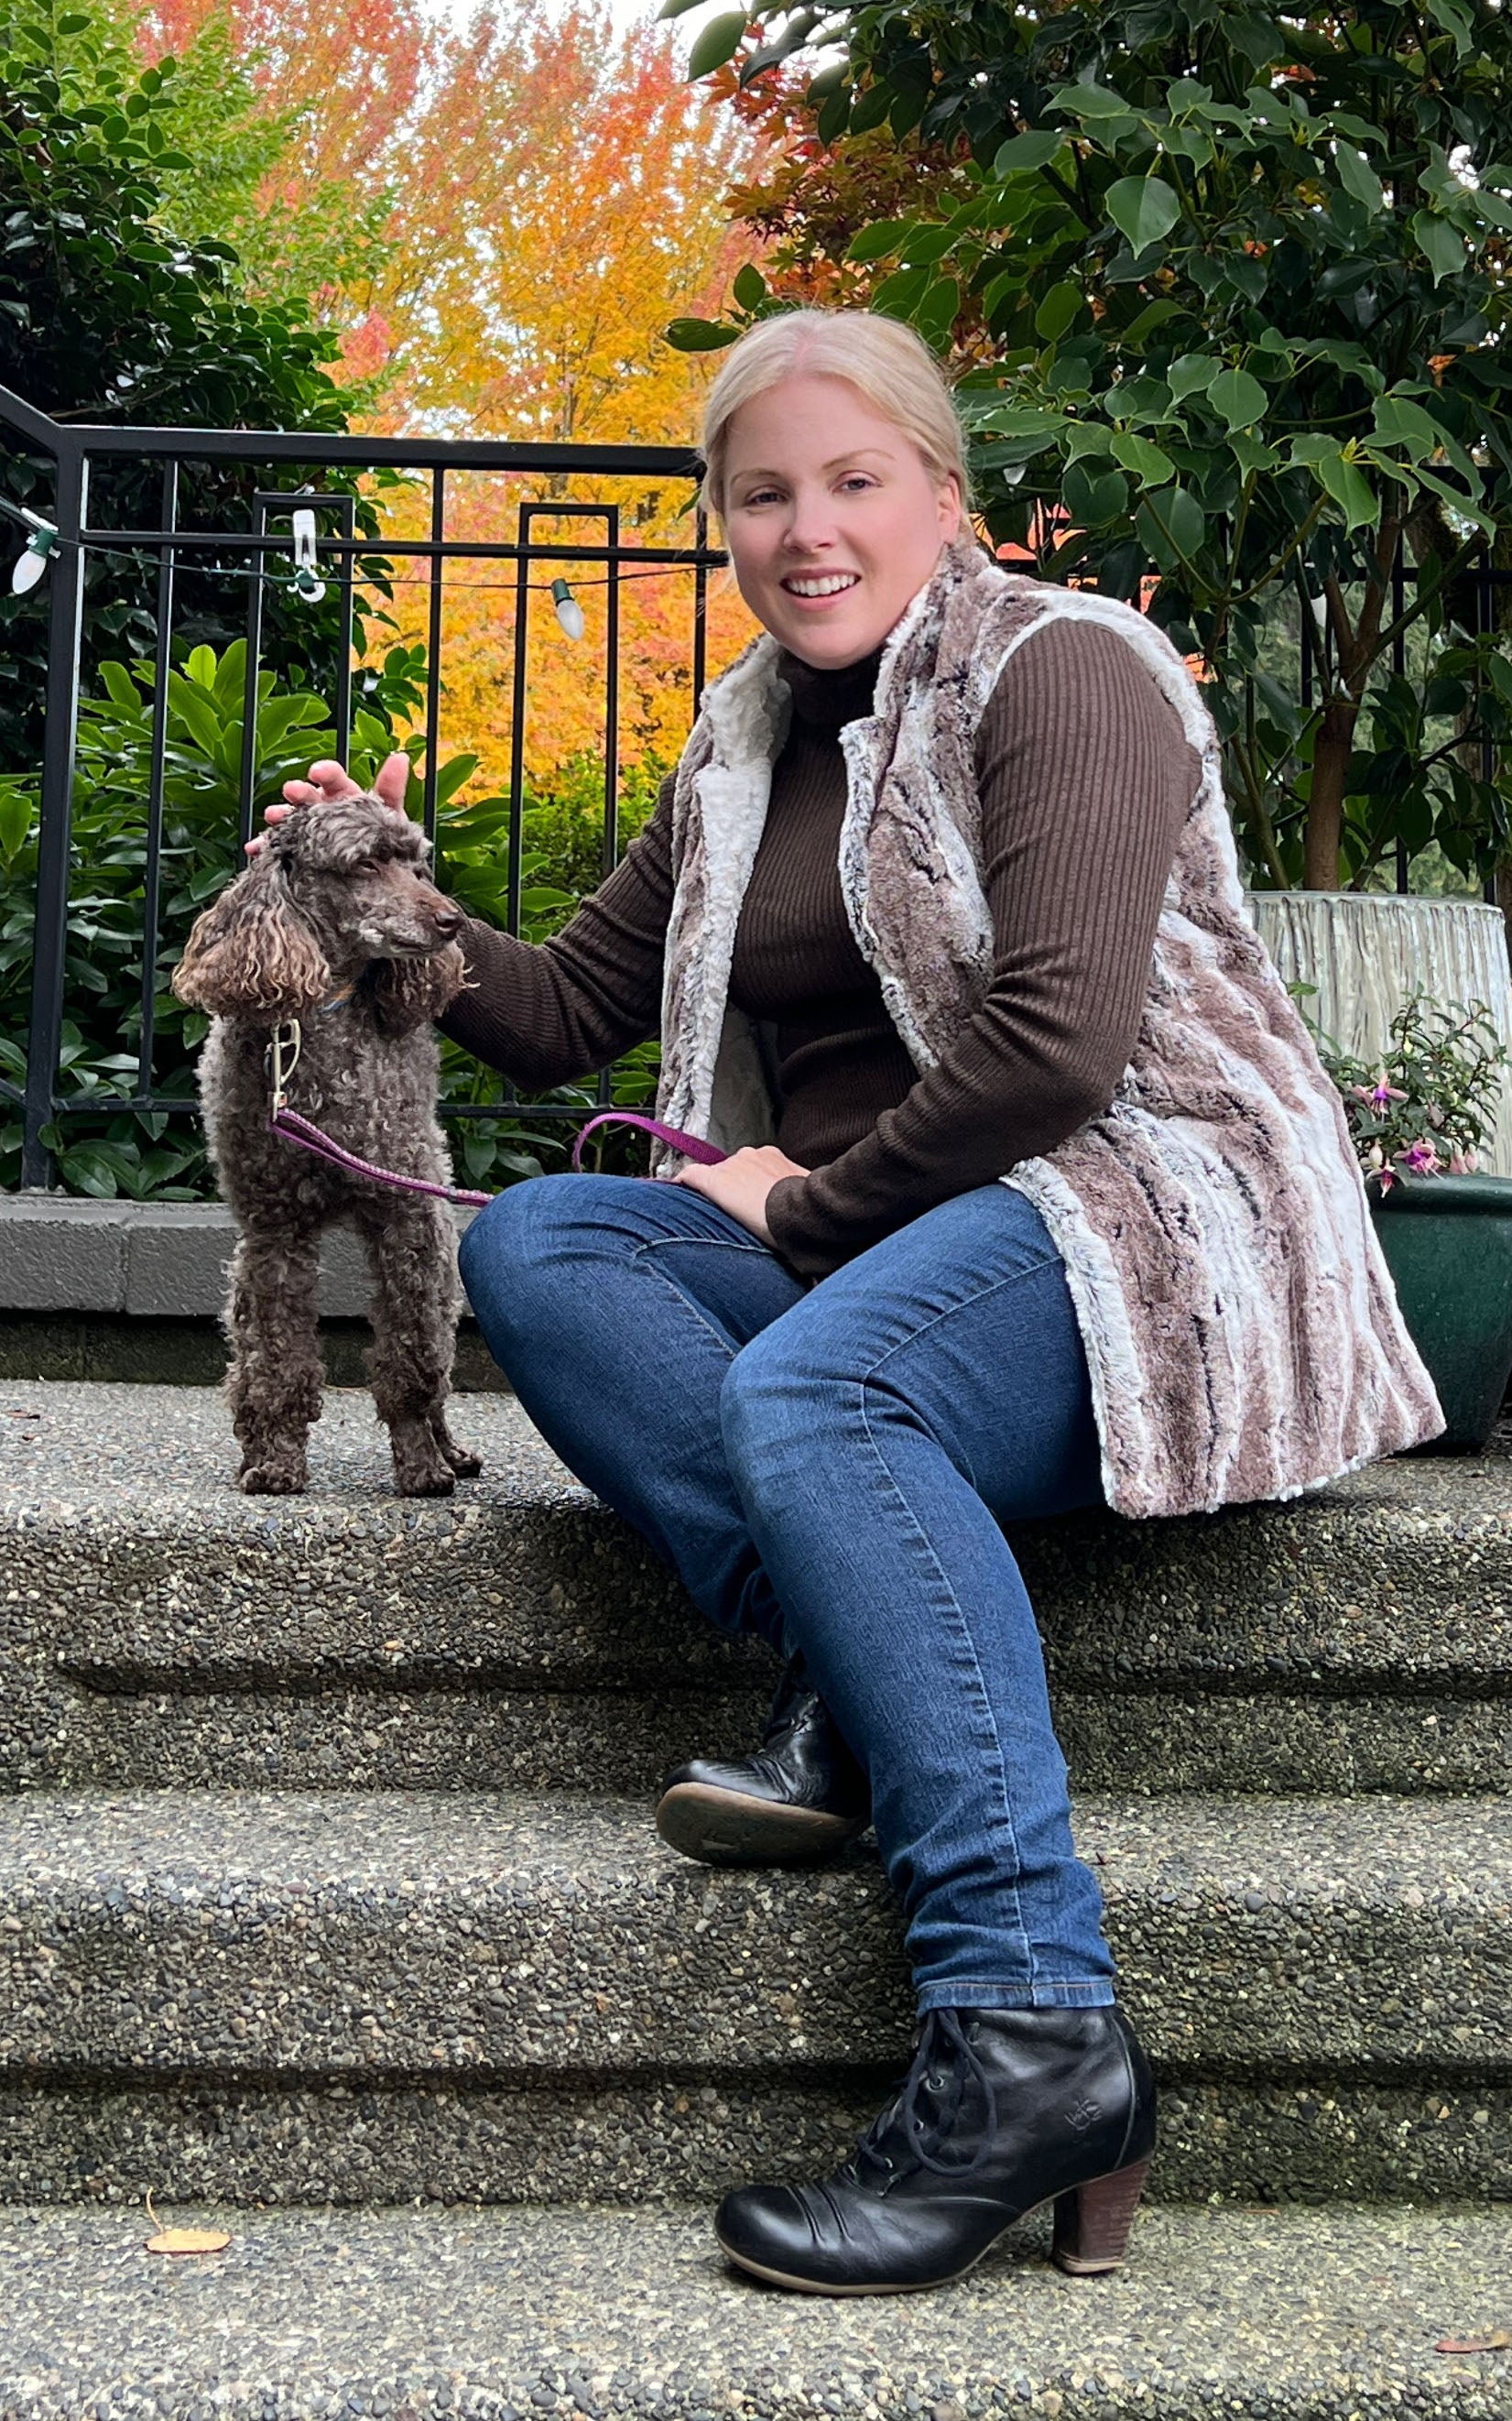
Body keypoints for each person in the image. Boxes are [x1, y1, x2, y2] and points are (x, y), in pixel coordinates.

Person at [267, 309, 1443, 2297]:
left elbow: (1060, 1042)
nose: (805, 530)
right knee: (545, 1244)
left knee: (820, 1398)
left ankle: (1029, 2023)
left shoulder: (1068, 671)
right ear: (723, 522)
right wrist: (379, 900)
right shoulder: (740, 748)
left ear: (942, 494)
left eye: (852, 481)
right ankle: (853, 1648)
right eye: (761, 495)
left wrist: (805, 1198)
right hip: (875, 1249)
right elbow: (559, 1013)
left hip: (1136, 1206)